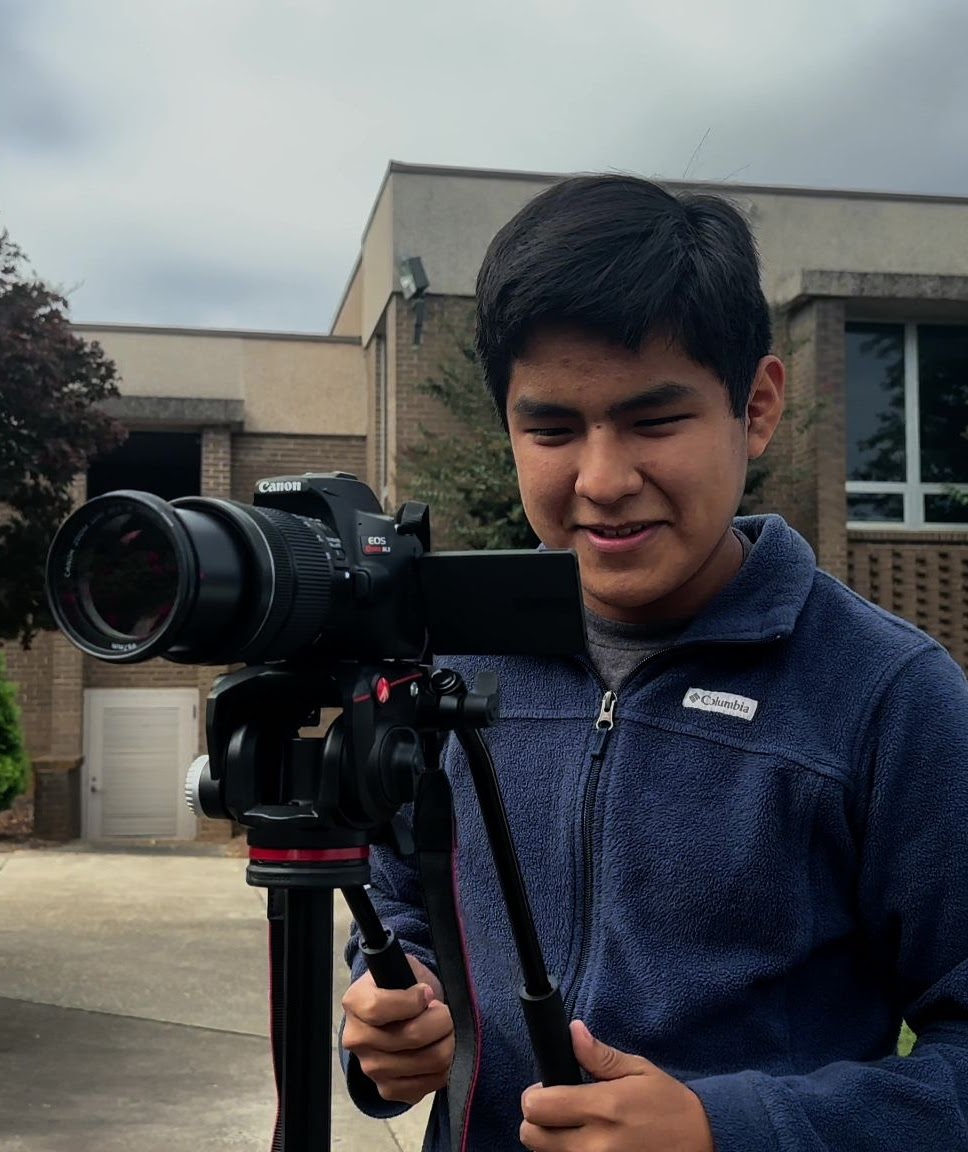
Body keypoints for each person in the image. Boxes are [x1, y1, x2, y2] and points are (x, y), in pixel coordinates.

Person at [340, 174, 968, 1151]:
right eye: (550, 428)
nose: (600, 479)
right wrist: (390, 1017)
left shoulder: (889, 698)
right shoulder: (451, 664)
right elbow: (397, 906)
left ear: (754, 408)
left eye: (652, 420)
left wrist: (732, 1129)